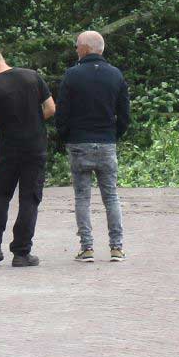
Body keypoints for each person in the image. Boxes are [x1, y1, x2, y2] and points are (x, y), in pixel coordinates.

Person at [54, 29, 130, 262]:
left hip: (79, 142)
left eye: (77, 46)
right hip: (106, 142)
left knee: (82, 198)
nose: (76, 49)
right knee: (111, 196)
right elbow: (124, 114)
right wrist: (114, 135)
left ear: (85, 48)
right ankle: (116, 247)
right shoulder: (115, 75)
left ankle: (87, 248)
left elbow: (62, 113)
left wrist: (66, 135)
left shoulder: (72, 75)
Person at [0, 49, 55, 268]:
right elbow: (50, 108)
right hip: (35, 149)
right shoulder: (33, 76)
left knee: (0, 196)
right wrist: (35, 123)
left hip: (8, 150)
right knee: (29, 199)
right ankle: (21, 253)